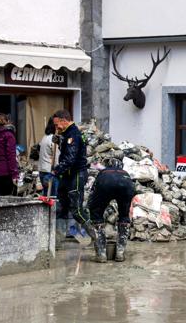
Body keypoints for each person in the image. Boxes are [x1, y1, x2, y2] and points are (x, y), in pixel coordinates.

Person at [51, 109, 96, 240]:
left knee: (76, 210)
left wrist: (57, 170)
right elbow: (67, 152)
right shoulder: (67, 134)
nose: (56, 128)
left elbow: (70, 159)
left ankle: (96, 236)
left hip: (76, 174)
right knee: (61, 206)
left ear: (64, 121)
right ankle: (58, 238)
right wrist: (60, 143)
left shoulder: (73, 135)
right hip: (67, 176)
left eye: (57, 124)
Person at [87, 157, 135, 262]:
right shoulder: (125, 172)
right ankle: (120, 254)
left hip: (105, 184)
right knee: (124, 216)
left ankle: (101, 254)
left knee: (96, 214)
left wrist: (92, 207)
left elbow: (93, 192)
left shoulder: (103, 172)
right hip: (127, 185)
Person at [38, 117, 60, 195]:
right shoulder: (53, 139)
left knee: (46, 199)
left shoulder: (44, 137)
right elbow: (57, 158)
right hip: (50, 172)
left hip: (42, 171)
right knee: (53, 200)